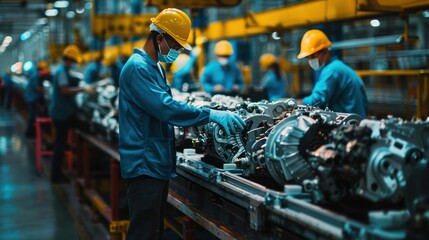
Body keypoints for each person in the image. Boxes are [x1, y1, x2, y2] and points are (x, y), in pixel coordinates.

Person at [117, 8, 245, 240]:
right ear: (159, 38)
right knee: (143, 232)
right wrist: (210, 115)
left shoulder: (153, 67)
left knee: (153, 229)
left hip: (155, 161)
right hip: (144, 162)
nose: (176, 52)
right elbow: (165, 108)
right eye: (175, 47)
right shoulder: (138, 68)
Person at [49, 45, 95, 182]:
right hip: (61, 115)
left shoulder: (63, 71)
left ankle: (56, 174)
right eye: (73, 62)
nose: (74, 64)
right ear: (68, 60)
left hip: (63, 113)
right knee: (60, 145)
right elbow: (64, 91)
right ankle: (56, 176)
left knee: (60, 143)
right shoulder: (62, 72)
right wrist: (82, 89)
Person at [297, 29, 368, 118]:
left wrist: (296, 103)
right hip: (357, 121)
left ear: (325, 52)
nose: (310, 60)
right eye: (308, 57)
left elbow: (317, 101)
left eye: (313, 56)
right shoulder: (340, 67)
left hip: (348, 125)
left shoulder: (332, 70)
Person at [24, 62, 44, 137]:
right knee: (32, 116)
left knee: (32, 115)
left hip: (31, 98)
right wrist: (44, 91)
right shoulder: (36, 76)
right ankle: (28, 132)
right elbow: (37, 88)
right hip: (31, 98)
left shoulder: (36, 75)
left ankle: (31, 131)